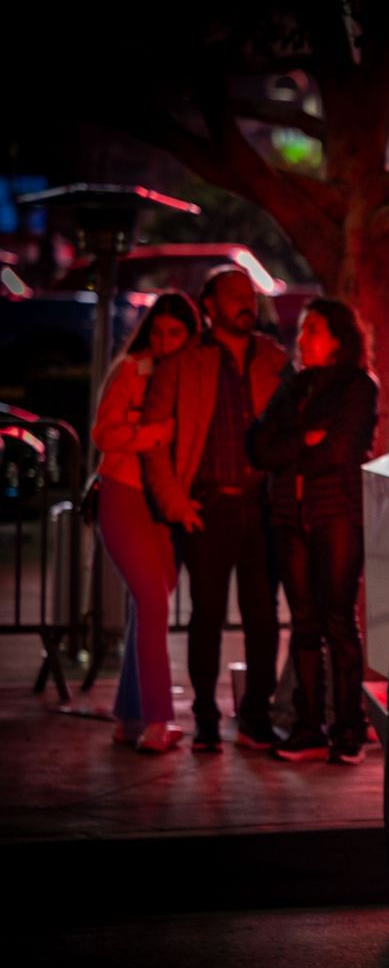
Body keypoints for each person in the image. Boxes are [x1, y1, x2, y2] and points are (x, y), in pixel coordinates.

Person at [140, 267, 289, 753]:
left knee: (263, 618)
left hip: (261, 507)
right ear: (210, 304)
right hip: (207, 507)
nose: (245, 302)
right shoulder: (183, 364)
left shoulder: (272, 358)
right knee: (206, 615)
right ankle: (206, 714)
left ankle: (256, 716)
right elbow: (154, 442)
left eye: (249, 294)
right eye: (234, 295)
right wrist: (175, 503)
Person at [248, 298, 379, 763]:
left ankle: (349, 728)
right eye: (302, 331)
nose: (302, 340)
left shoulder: (359, 386)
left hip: (337, 515)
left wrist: (294, 445)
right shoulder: (294, 387)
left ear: (339, 340)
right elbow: (259, 447)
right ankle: (309, 727)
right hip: (290, 516)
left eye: (313, 330)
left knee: (338, 620)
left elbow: (338, 451)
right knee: (304, 623)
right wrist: (304, 439)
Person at [92, 291, 195, 753]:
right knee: (152, 603)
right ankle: (155, 719)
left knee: (154, 598)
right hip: (123, 492)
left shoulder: (186, 376)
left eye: (175, 332)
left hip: (157, 502)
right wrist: (155, 433)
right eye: (159, 331)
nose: (165, 340)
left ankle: (130, 715)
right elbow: (102, 433)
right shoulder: (132, 370)